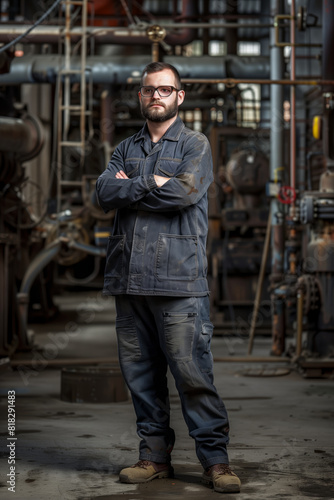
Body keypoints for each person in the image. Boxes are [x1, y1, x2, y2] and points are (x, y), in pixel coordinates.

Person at [95, 62, 241, 494]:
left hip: (179, 282)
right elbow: (103, 193)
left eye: (165, 89)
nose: (155, 96)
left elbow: (185, 192)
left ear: (180, 96)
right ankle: (154, 457)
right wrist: (152, 180)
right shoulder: (125, 148)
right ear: (141, 97)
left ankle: (216, 462)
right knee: (140, 376)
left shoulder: (195, 144)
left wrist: (134, 186)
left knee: (192, 374)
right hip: (129, 281)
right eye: (148, 90)